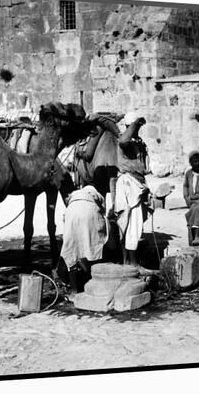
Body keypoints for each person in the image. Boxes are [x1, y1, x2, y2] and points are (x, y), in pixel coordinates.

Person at [56, 184, 110, 293]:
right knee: (92, 245)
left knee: (71, 250)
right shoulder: (95, 196)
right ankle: (94, 281)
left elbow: (64, 217)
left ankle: (74, 289)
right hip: (90, 213)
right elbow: (103, 214)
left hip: (71, 213)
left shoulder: (74, 196)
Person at [114, 111, 151, 268]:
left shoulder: (138, 142)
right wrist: (135, 123)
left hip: (137, 184)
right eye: (134, 127)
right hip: (128, 184)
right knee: (129, 224)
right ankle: (131, 263)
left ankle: (130, 262)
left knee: (135, 225)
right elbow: (123, 140)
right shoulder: (124, 140)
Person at [75, 113, 123, 218]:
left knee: (88, 154)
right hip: (113, 165)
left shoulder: (98, 123)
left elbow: (88, 154)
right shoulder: (110, 121)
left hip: (105, 166)